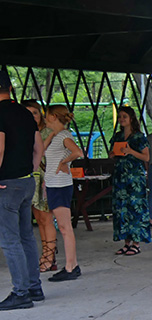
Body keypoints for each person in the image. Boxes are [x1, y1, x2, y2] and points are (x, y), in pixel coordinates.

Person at [0, 69, 45, 310]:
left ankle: (21, 292)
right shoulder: (24, 113)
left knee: (10, 240)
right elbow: (38, 147)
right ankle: (34, 286)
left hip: (6, 183)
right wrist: (31, 171)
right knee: (26, 235)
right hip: (27, 180)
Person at [44, 105, 83, 282]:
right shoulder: (58, 136)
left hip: (60, 184)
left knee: (65, 227)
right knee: (63, 226)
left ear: (53, 116)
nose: (44, 119)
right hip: (54, 183)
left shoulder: (64, 136)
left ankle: (70, 266)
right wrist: (52, 134)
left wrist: (63, 162)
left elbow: (77, 152)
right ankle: (71, 264)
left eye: (46, 116)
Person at [22, 100, 57, 272]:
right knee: (39, 220)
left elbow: (39, 151)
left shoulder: (46, 132)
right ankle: (47, 254)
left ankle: (49, 256)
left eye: (35, 113)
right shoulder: (23, 132)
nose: (32, 117)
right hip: (30, 179)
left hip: (44, 177)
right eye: (28, 114)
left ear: (40, 115)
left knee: (46, 218)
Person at [110, 106, 150, 256]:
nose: (121, 119)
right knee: (121, 208)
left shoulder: (139, 137)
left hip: (134, 178)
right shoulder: (118, 136)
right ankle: (126, 242)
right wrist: (114, 154)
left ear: (131, 118)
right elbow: (112, 153)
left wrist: (131, 151)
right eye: (120, 117)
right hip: (120, 176)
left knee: (136, 208)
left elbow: (146, 157)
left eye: (124, 117)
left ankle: (136, 243)